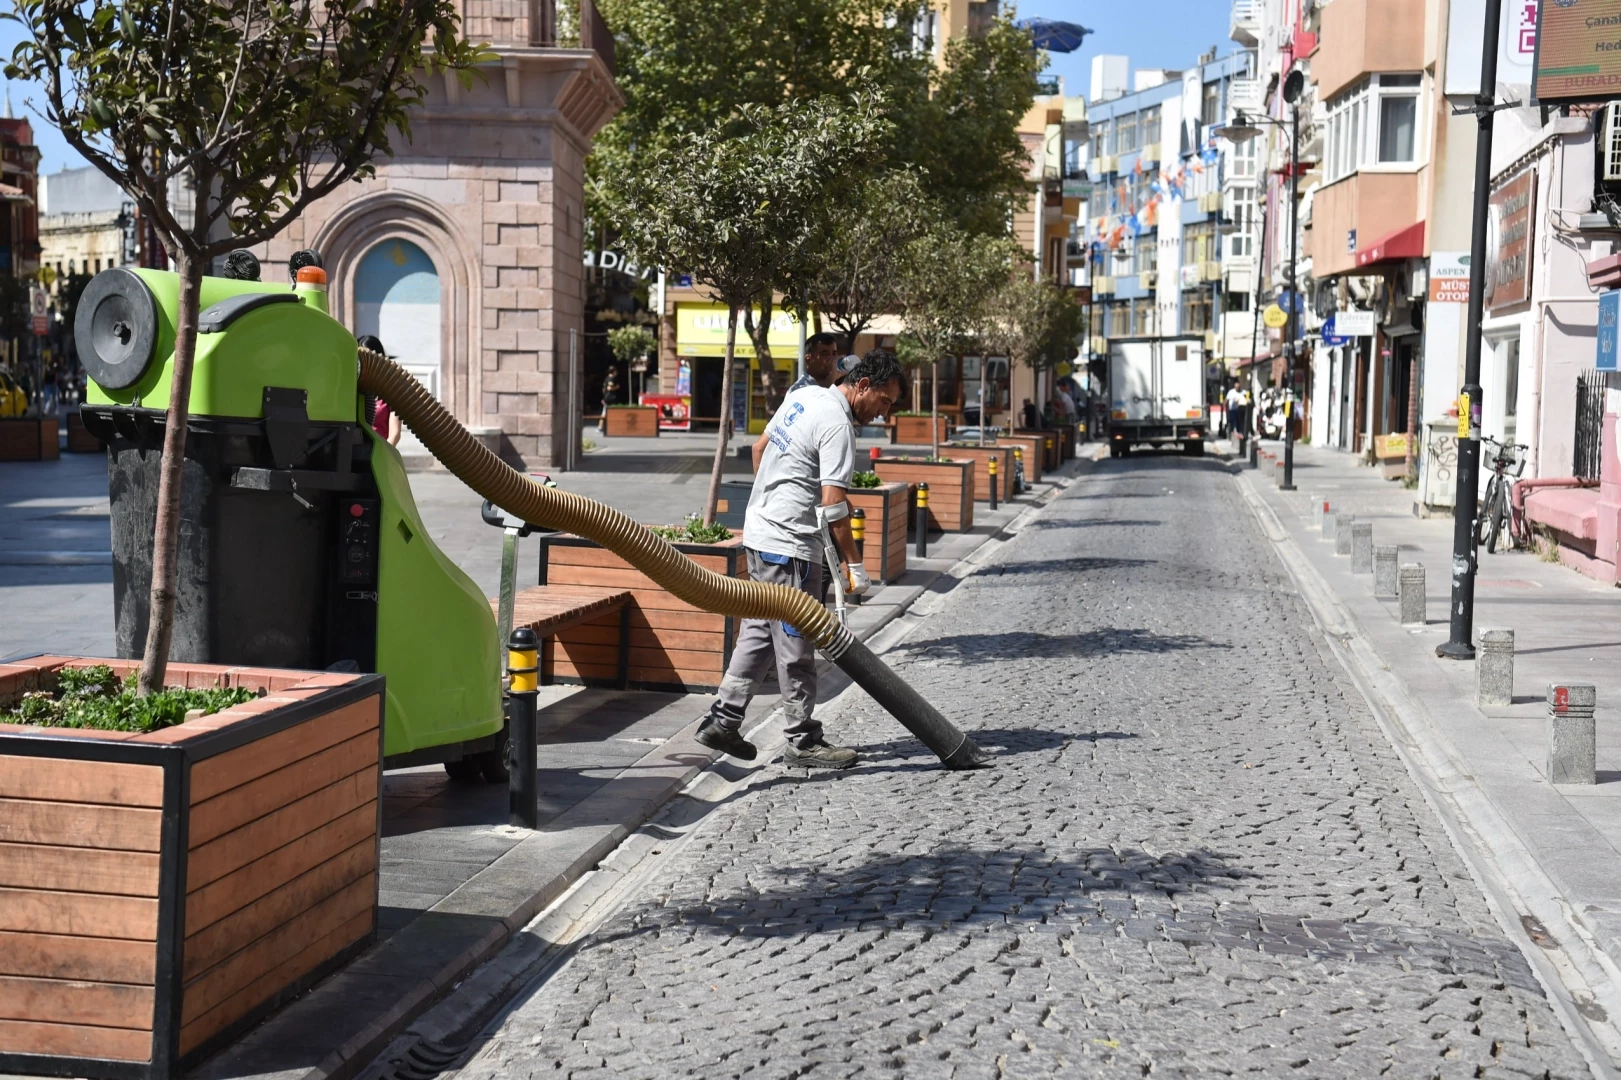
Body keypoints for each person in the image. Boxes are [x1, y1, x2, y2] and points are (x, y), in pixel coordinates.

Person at [696, 351, 907, 770]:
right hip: (791, 547)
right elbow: (833, 507)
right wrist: (854, 565)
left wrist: (773, 503)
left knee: (758, 630)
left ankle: (724, 718)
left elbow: (760, 450)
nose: (884, 414)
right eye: (884, 401)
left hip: (761, 535)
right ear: (863, 386)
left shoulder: (804, 397)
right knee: (797, 641)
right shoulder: (838, 424)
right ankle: (801, 738)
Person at [751, 332, 843, 472]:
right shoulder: (801, 391)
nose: (830, 359)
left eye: (834, 354)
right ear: (809, 359)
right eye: (824, 354)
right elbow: (759, 447)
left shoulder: (823, 389)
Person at [356, 334, 402, 446]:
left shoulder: (390, 391)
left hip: (379, 453)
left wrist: (381, 457)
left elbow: (394, 434)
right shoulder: (352, 389)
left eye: (370, 358)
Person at [598, 368, 620, 434]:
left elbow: (604, 389)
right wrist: (616, 387)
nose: (616, 373)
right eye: (616, 371)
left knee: (604, 412)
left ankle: (600, 426)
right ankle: (608, 427)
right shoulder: (611, 379)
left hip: (606, 397)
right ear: (613, 372)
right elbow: (609, 388)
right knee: (609, 412)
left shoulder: (606, 379)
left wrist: (604, 396)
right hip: (610, 398)